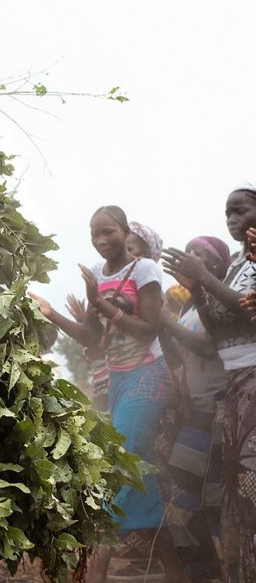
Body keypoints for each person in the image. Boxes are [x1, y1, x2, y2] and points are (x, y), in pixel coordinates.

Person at [36, 206, 186, 583]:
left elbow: (149, 329)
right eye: (94, 234)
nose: (101, 241)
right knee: (138, 474)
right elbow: (90, 339)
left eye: (109, 232)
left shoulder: (145, 270)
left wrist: (99, 302)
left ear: (124, 230)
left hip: (148, 378)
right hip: (119, 383)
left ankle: (95, 572)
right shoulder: (98, 276)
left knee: (121, 468)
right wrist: (51, 312)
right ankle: (177, 572)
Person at [163, 187, 256, 583]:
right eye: (227, 212)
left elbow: (245, 308)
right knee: (237, 490)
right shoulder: (237, 264)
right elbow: (218, 328)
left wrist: (202, 278)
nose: (232, 218)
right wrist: (199, 288)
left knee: (250, 481)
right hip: (236, 385)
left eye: (241, 210)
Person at [158, 236, 231, 581]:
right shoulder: (188, 307)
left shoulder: (218, 301)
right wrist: (161, 325)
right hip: (195, 413)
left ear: (216, 266)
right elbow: (178, 357)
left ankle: (223, 570)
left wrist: (163, 319)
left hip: (218, 411)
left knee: (214, 500)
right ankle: (202, 573)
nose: (189, 257)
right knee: (181, 499)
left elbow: (206, 347)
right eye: (187, 251)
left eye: (198, 253)